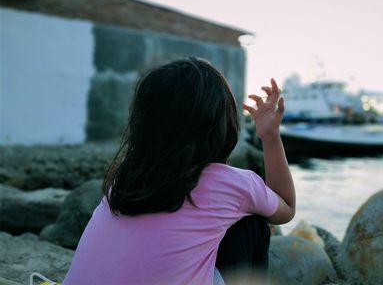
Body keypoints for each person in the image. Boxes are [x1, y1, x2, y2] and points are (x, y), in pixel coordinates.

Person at [63, 57, 295, 284]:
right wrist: (271, 138)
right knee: (251, 225)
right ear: (221, 125)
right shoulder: (232, 184)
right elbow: (286, 206)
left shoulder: (124, 179)